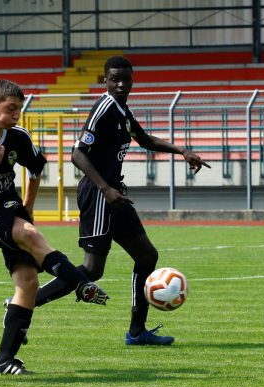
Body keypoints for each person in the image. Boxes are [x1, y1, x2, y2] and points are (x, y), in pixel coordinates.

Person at [33, 56, 210, 346]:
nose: (121, 84)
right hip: (100, 194)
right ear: (105, 80)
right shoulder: (103, 109)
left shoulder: (122, 111)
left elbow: (145, 139)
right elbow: (78, 154)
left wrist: (182, 151)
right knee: (92, 269)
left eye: (126, 79)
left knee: (146, 256)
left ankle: (137, 332)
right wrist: (105, 189)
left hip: (116, 194)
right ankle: (28, 302)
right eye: (114, 79)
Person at [0, 79, 109, 375]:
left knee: (28, 283)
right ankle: (81, 284)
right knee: (30, 235)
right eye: (11, 109)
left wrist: (29, 206)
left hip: (11, 207)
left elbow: (36, 168)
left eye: (19, 110)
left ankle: (3, 361)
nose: (16, 115)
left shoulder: (18, 136)